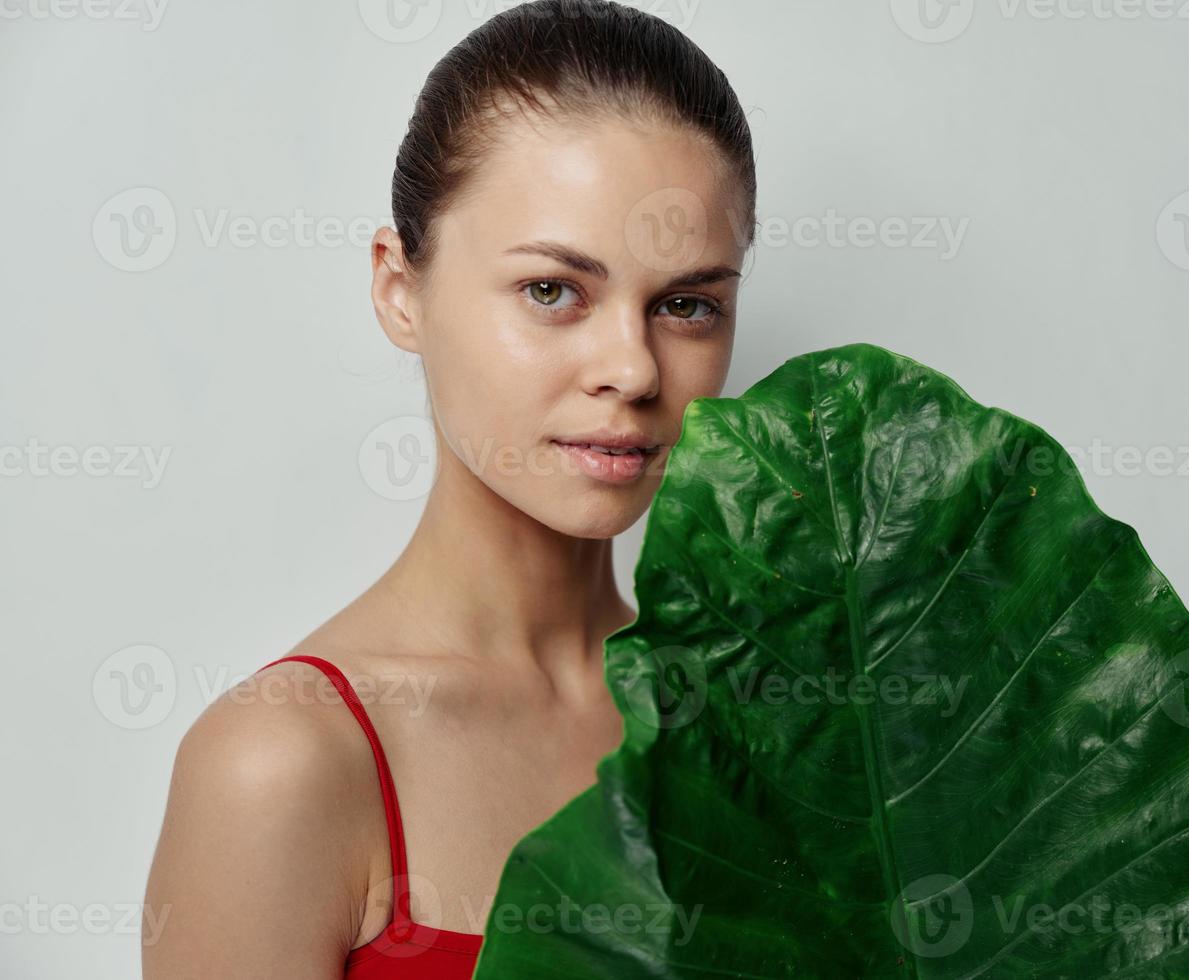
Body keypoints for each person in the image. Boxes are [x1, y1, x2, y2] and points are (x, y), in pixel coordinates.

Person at [141, 1, 757, 976]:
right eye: (553, 290)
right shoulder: (280, 762)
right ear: (400, 289)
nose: (632, 370)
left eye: (686, 305)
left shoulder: (760, 718)